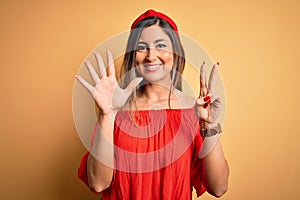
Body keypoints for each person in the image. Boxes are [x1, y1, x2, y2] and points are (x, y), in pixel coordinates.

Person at [76, 9, 229, 199]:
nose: (151, 56)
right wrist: (106, 114)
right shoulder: (116, 110)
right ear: (133, 56)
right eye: (141, 47)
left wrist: (210, 125)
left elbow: (219, 187)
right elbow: (98, 183)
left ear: (175, 52)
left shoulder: (195, 111)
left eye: (161, 45)